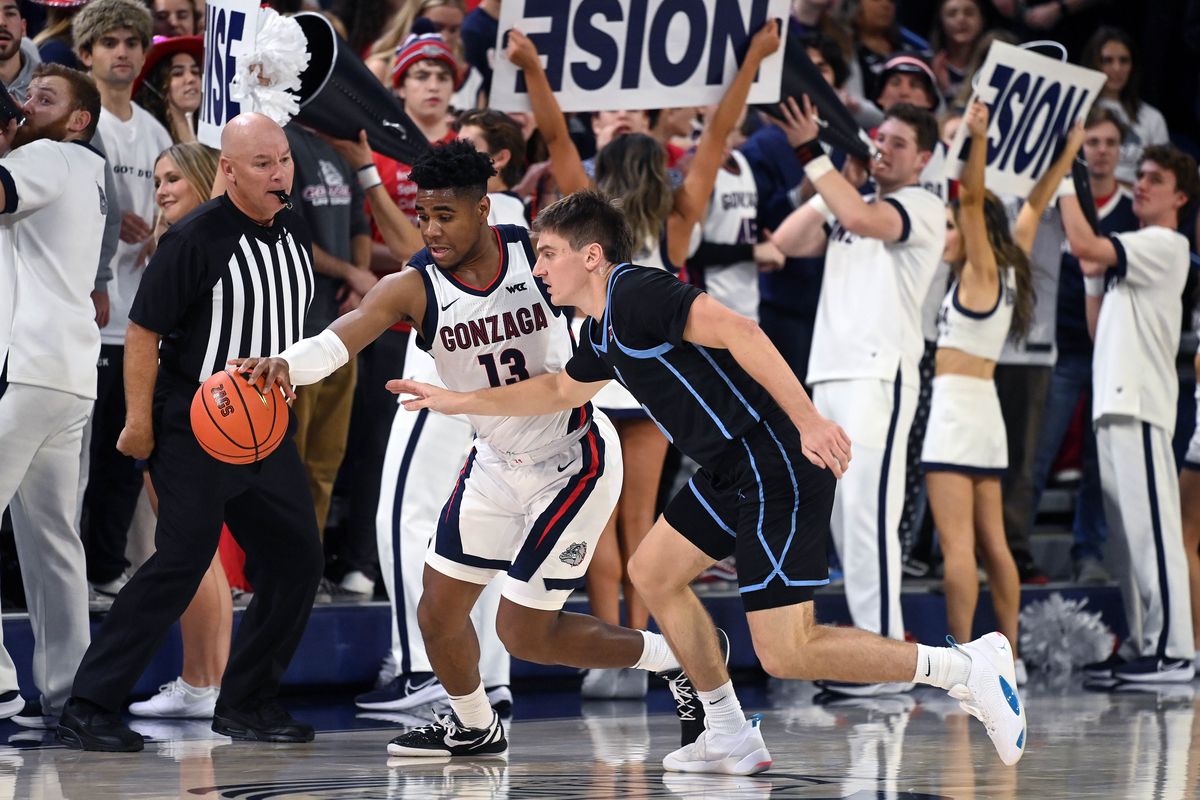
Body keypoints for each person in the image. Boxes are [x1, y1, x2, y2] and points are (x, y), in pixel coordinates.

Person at [392, 188, 1028, 773]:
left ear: (591, 256)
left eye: (549, 254)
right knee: (654, 573)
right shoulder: (599, 325)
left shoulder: (638, 290)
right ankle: (726, 731)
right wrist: (455, 400)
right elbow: (559, 388)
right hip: (730, 468)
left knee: (787, 651)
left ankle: (965, 666)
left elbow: (740, 330)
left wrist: (807, 419)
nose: (538, 269)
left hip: (775, 458)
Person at [236, 140, 692, 758]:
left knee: (528, 633)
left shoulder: (536, 254)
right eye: (423, 214)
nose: (430, 229)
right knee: (437, 613)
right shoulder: (416, 285)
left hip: (572, 455)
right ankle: (475, 724)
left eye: (444, 215)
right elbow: (345, 333)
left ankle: (676, 656)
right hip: (495, 462)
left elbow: (608, 286)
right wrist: (286, 363)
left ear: (483, 208)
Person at [508, 20, 783, 699]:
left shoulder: (591, 214)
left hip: (601, 377)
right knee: (642, 522)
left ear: (607, 174)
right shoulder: (679, 216)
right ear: (659, 169)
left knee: (593, 516)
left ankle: (615, 652)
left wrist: (534, 68)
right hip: (658, 382)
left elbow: (559, 139)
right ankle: (643, 646)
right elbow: (717, 137)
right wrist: (750, 59)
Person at [57, 113, 325, 751]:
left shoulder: (292, 225)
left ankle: (249, 703)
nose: (278, 173)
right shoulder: (194, 238)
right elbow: (144, 334)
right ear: (227, 172)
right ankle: (88, 706)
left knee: (298, 560)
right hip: (196, 428)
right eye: (262, 164)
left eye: (283, 159)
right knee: (178, 562)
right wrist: (140, 424)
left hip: (265, 425)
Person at [771, 99, 943, 690]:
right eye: (881, 139)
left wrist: (812, 156)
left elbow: (869, 222)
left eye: (898, 143)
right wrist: (835, 179)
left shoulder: (921, 204)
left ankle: (889, 665)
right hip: (830, 376)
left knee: (869, 520)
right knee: (844, 523)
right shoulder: (852, 202)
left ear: (923, 157)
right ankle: (870, 659)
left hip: (879, 375)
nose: (884, 149)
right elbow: (787, 241)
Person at [922, 101, 1079, 684]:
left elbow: (970, 196)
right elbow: (1036, 203)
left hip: (958, 412)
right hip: (984, 411)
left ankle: (965, 665)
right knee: (995, 544)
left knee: (959, 548)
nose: (947, 231)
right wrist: (1067, 150)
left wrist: (979, 140)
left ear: (971, 227)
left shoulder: (983, 268)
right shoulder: (1012, 266)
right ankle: (1005, 655)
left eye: (953, 223)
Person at [1060, 141, 1198, 683]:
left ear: (1180, 196)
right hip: (1114, 399)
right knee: (1124, 539)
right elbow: (1097, 330)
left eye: (1154, 179)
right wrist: (1093, 271)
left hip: (1140, 401)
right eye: (1138, 176)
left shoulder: (1166, 243)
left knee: (1154, 534)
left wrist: (1065, 176)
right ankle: (1146, 643)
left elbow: (1083, 241)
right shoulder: (1130, 249)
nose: (1139, 184)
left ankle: (1173, 650)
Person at [0, 61, 106, 732]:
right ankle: (72, 692)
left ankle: (2, 688)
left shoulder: (47, 154)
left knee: (52, 543)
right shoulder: (90, 172)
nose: (28, 103)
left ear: (78, 121)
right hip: (70, 376)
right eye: (26, 94)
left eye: (46, 98)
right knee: (53, 544)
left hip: (28, 369)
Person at [125, 141, 230, 721]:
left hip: (189, 407)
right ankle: (208, 684)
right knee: (199, 549)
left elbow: (156, 336)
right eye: (157, 179)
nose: (162, 189)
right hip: (225, 409)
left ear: (203, 179)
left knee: (187, 549)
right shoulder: (233, 238)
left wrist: (140, 419)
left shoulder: (186, 242)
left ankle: (199, 683)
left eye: (174, 179)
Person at [73, 0, 173, 604]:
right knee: (74, 461)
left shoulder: (154, 127)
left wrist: (162, 227)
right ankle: (56, 574)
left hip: (141, 317)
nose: (122, 51)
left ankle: (104, 566)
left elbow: (175, 197)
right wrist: (111, 216)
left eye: (132, 41)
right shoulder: (83, 121)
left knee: (121, 453)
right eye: (108, 42)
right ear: (85, 54)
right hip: (88, 311)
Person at [1028, 106, 1134, 587]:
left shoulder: (1135, 207)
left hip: (1115, 352)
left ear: (1120, 151)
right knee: (1038, 451)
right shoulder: (1057, 200)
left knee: (1100, 462)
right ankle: (1013, 551)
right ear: (1079, 148)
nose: (1102, 151)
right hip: (1062, 347)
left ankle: (1089, 553)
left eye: (1110, 143)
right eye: (1092, 142)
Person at [1082, 27, 1170, 187]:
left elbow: (1161, 174)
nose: (1117, 68)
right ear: (1093, 63)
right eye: (1107, 60)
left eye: (1124, 60)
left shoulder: (1152, 118)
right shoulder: (1077, 110)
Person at [132, 35, 202, 144]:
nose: (191, 79)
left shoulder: (214, 137)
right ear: (158, 84)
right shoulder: (148, 141)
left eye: (195, 72)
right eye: (178, 73)